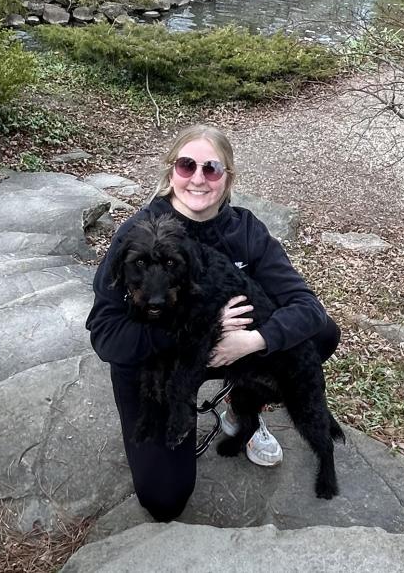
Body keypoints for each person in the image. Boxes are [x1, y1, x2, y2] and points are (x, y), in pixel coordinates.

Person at [85, 124, 340, 522]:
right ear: (171, 171)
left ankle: (242, 408)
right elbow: (105, 334)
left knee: (321, 335)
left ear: (228, 177)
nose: (198, 178)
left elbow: (308, 308)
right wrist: (201, 332)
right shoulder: (135, 236)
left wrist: (253, 341)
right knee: (164, 500)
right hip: (154, 363)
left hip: (228, 352)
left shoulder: (245, 230)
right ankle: (181, 408)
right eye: (187, 166)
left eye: (212, 169)